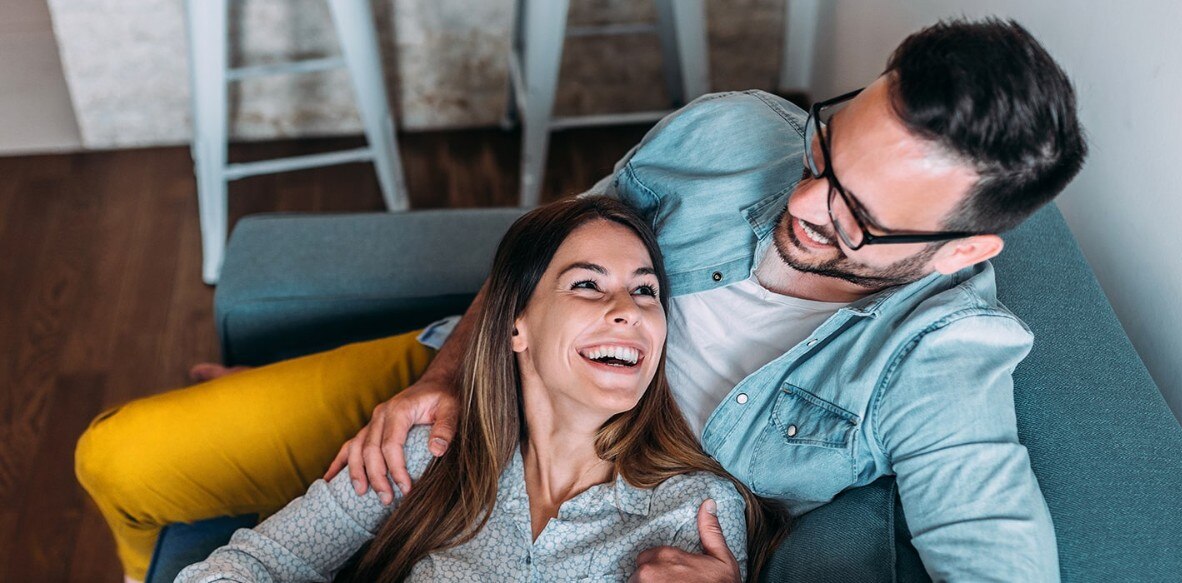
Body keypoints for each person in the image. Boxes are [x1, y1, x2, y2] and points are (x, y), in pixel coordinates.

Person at [77, 17, 1086, 582]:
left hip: (606, 486)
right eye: (825, 148)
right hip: (465, 383)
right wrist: (441, 381)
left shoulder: (944, 362)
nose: (803, 200)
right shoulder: (736, 132)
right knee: (120, 457)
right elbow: (558, 247)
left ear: (958, 250)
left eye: (855, 217)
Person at [176, 196, 785, 582]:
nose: (628, 310)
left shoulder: (695, 513)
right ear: (517, 324)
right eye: (587, 285)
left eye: (645, 290)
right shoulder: (430, 452)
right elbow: (253, 564)